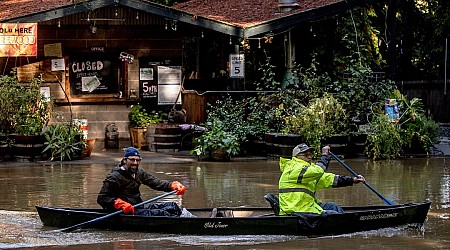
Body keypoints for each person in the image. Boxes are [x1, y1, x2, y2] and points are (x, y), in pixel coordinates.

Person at [97, 147, 193, 217]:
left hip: (139, 207)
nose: (135, 163)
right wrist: (118, 203)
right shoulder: (114, 177)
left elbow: (155, 182)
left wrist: (172, 185)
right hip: (125, 212)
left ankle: (191, 218)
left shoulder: (139, 172)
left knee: (172, 206)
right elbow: (102, 198)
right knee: (164, 214)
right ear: (125, 160)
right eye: (132, 160)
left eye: (138, 160)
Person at [278, 143, 365, 215]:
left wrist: (352, 180)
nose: (309, 157)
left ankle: (347, 225)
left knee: (333, 206)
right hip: (296, 211)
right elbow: (319, 171)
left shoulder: (308, 171)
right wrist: (325, 156)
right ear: (296, 157)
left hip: (307, 208)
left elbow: (328, 179)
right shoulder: (294, 169)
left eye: (310, 154)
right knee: (333, 215)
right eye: (306, 155)